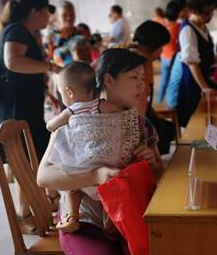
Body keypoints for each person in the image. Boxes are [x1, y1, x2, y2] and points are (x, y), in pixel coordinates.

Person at [37, 48, 163, 255]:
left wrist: (152, 162)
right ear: (108, 80)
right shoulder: (75, 121)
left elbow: (159, 179)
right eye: (133, 77)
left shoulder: (140, 124)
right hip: (82, 218)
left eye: (143, 78)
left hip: (127, 215)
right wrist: (93, 175)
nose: (142, 85)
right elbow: (44, 176)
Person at [45, 60, 152, 241]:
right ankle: (111, 218)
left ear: (69, 92)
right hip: (106, 163)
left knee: (72, 189)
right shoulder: (102, 105)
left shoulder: (71, 110)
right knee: (112, 188)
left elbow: (51, 126)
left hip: (82, 165)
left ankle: (71, 216)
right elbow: (118, 118)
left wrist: (55, 124)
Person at [0, 0, 62, 232]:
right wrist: (51, 67)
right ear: (34, 12)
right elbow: (13, 62)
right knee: (23, 160)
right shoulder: (16, 31)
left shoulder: (21, 31)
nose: (48, 18)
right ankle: (24, 216)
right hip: (16, 107)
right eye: (45, 13)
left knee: (32, 157)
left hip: (26, 105)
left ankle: (35, 205)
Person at [175, 0, 217, 127]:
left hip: (204, 79)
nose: (210, 15)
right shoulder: (188, 30)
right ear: (194, 11)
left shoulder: (202, 26)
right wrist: (205, 88)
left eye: (212, 11)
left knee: (208, 121)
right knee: (196, 123)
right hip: (193, 84)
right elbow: (192, 62)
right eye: (206, 13)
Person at [156, 1, 182, 103]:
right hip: (173, 58)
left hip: (163, 57)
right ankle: (170, 105)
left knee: (163, 81)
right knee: (173, 82)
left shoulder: (163, 25)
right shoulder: (178, 27)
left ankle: (159, 102)